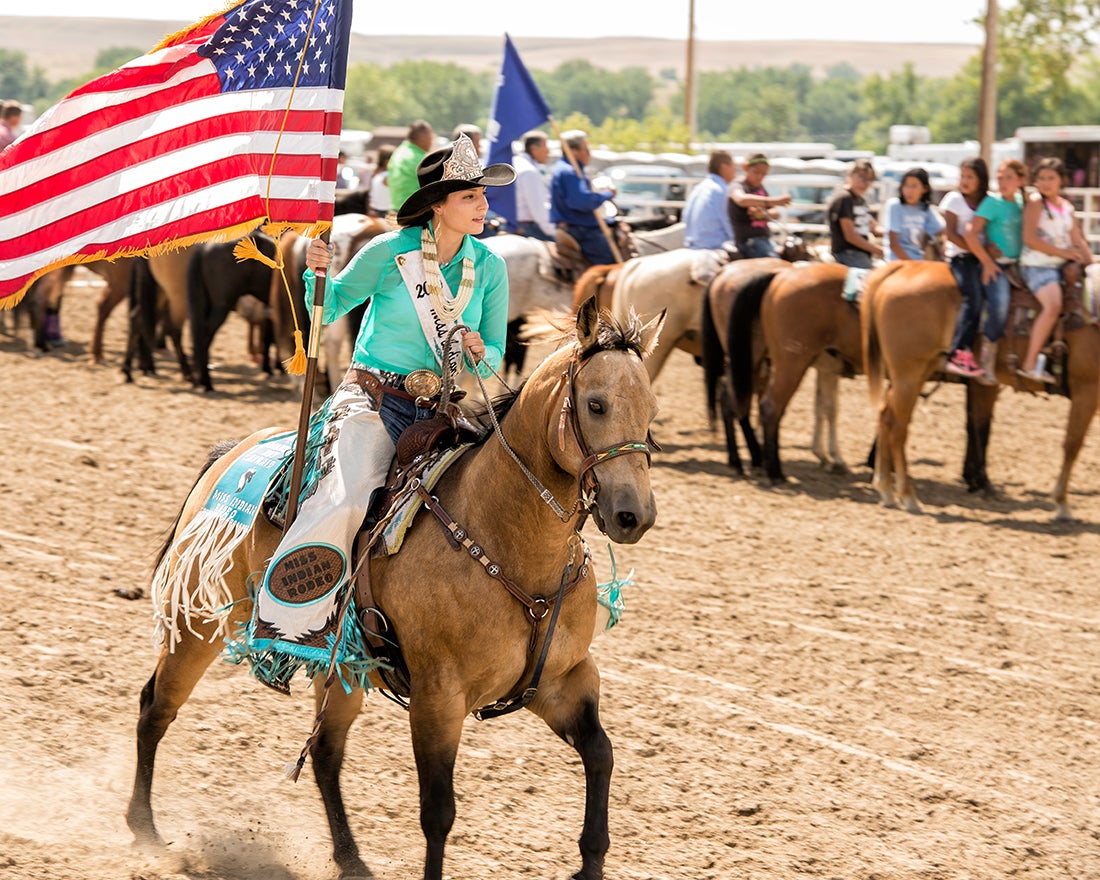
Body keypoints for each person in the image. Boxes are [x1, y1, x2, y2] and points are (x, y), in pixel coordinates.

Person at [252, 134, 514, 672]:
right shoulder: (387, 252)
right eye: (471, 197)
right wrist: (317, 275)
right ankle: (290, 628)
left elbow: (494, 360)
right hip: (374, 398)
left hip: (444, 408)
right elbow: (326, 313)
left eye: (484, 196)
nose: (484, 206)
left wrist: (480, 350)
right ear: (438, 206)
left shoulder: (490, 267)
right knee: (347, 502)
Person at [1017, 157, 1093, 383]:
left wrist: (1092, 265)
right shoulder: (1035, 204)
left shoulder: (1066, 208)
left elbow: (1077, 240)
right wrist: (1063, 254)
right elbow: (1029, 238)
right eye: (1041, 178)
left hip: (1060, 266)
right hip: (1037, 266)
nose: (1045, 183)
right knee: (1053, 306)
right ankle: (1029, 363)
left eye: (1051, 178)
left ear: (1061, 180)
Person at [963, 159, 1030, 385]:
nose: (1002, 182)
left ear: (1021, 180)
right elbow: (971, 233)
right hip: (998, 264)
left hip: (1020, 264)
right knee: (1000, 305)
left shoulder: (1023, 202)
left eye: (1008, 177)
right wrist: (987, 262)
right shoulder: (992, 202)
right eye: (1000, 177)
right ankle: (987, 358)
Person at [941, 157, 990, 378]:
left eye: (970, 177)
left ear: (981, 179)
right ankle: (958, 352)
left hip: (982, 257)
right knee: (974, 297)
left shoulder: (988, 202)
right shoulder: (954, 199)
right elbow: (950, 234)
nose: (965, 181)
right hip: (961, 257)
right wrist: (974, 250)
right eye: (962, 176)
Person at [549, 129, 618, 266]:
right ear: (573, 151)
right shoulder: (570, 171)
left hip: (574, 225)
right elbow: (580, 202)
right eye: (586, 149)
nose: (589, 153)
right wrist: (607, 194)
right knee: (610, 264)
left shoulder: (564, 169)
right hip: (582, 230)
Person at [726, 153, 791, 258]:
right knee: (776, 263)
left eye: (764, 174)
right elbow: (741, 199)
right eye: (756, 172)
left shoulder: (760, 188)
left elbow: (775, 213)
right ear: (745, 168)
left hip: (764, 241)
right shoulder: (737, 185)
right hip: (748, 243)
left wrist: (763, 214)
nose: (760, 177)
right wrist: (773, 201)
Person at [826, 159, 883, 268]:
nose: (866, 182)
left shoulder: (861, 200)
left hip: (859, 253)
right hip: (848, 253)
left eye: (870, 179)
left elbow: (874, 228)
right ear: (850, 175)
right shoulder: (845, 198)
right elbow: (850, 236)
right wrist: (879, 250)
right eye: (862, 177)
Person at [881, 167, 945, 261]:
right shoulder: (895, 205)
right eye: (906, 185)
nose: (909, 190)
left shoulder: (925, 209)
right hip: (896, 260)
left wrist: (945, 245)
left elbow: (943, 230)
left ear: (925, 189)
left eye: (914, 186)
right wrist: (912, 265)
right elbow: (894, 244)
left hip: (918, 259)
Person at [682, 149, 736, 250]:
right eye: (733, 166)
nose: (735, 170)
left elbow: (685, 218)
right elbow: (729, 223)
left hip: (692, 244)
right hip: (714, 245)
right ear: (724, 167)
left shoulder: (698, 188)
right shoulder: (721, 190)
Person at [512, 130, 554, 240]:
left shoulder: (517, 163)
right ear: (534, 149)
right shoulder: (529, 172)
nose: (548, 151)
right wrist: (554, 233)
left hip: (515, 224)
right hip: (529, 227)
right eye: (546, 146)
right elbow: (539, 212)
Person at [387, 120, 435, 212]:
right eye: (430, 137)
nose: (432, 141)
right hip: (414, 211)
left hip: (395, 208)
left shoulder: (398, 152)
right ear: (422, 137)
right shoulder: (418, 158)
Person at [367, 144, 394, 219]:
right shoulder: (388, 176)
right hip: (386, 214)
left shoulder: (375, 174)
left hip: (374, 211)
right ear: (387, 161)